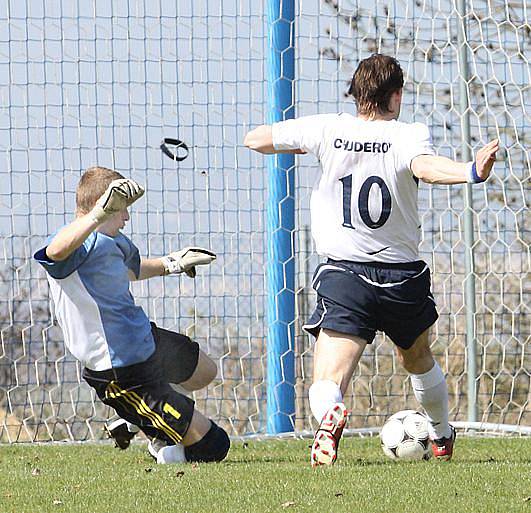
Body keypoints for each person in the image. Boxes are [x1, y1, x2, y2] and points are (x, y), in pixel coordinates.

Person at [244, 53, 498, 467]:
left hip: (345, 275)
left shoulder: (328, 128)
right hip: (401, 277)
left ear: (356, 95)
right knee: (417, 358)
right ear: (395, 97)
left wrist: (300, 140)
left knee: (330, 375)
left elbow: (256, 140)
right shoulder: (408, 135)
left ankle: (330, 418)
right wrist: (471, 170)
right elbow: (426, 168)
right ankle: (441, 434)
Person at [34, 166, 230, 464]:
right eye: (122, 209)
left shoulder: (115, 240)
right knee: (214, 446)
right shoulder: (74, 244)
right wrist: (98, 215)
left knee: (204, 370)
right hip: (119, 369)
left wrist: (171, 263)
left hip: (144, 340)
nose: (126, 217)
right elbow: (54, 252)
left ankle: (136, 421)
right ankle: (156, 433)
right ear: (105, 204)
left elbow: (132, 270)